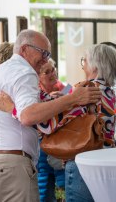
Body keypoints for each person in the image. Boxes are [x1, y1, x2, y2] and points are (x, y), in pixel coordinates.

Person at [0, 29, 102, 202]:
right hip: (10, 164)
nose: (46, 60)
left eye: (50, 62)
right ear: (25, 49)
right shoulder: (25, 72)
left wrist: (12, 107)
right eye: (44, 53)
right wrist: (73, 98)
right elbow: (28, 116)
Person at [0, 44, 116, 202]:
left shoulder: (85, 91)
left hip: (84, 163)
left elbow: (47, 125)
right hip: (109, 161)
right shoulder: (111, 92)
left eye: (84, 61)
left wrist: (12, 107)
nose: (83, 66)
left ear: (94, 65)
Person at [37, 58, 66, 202]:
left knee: (66, 184)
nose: (51, 74)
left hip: (64, 145)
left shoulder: (66, 89)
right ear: (38, 77)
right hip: (43, 147)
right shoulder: (36, 94)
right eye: (46, 72)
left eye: (53, 69)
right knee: (44, 188)